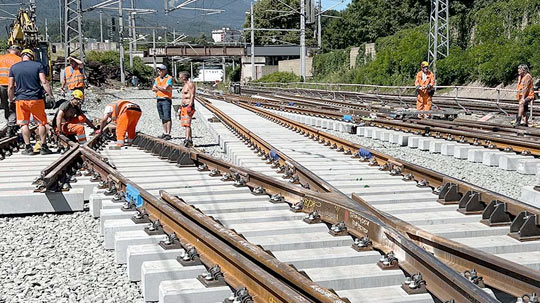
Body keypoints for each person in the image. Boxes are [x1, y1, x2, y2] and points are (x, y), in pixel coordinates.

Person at [8, 49, 54, 155]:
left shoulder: (14, 67)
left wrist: (11, 99)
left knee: (24, 124)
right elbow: (44, 81)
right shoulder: (38, 65)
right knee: (41, 123)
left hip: (21, 100)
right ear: (32, 56)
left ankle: (28, 147)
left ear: (22, 56)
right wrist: (51, 95)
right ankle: (43, 146)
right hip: (36, 99)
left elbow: (11, 86)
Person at [0, 45, 21, 135]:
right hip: (13, 86)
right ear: (18, 51)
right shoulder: (19, 60)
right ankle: (11, 124)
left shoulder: (1, 58)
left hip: (1, 84)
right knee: (12, 105)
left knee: (5, 104)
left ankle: (8, 120)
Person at [152, 64, 173, 140]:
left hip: (166, 99)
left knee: (167, 117)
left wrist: (158, 87)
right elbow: (153, 89)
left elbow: (165, 87)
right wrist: (161, 88)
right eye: (158, 70)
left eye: (161, 70)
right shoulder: (157, 79)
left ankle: (168, 133)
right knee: (162, 117)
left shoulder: (169, 78)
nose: (159, 72)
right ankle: (164, 132)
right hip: (159, 99)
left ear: (165, 70)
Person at [178, 71, 196, 147]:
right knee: (185, 124)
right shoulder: (184, 85)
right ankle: (190, 139)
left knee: (187, 124)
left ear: (184, 77)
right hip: (184, 106)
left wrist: (190, 105)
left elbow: (192, 95)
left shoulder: (190, 84)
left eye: (180, 77)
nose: (179, 78)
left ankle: (187, 139)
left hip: (188, 105)